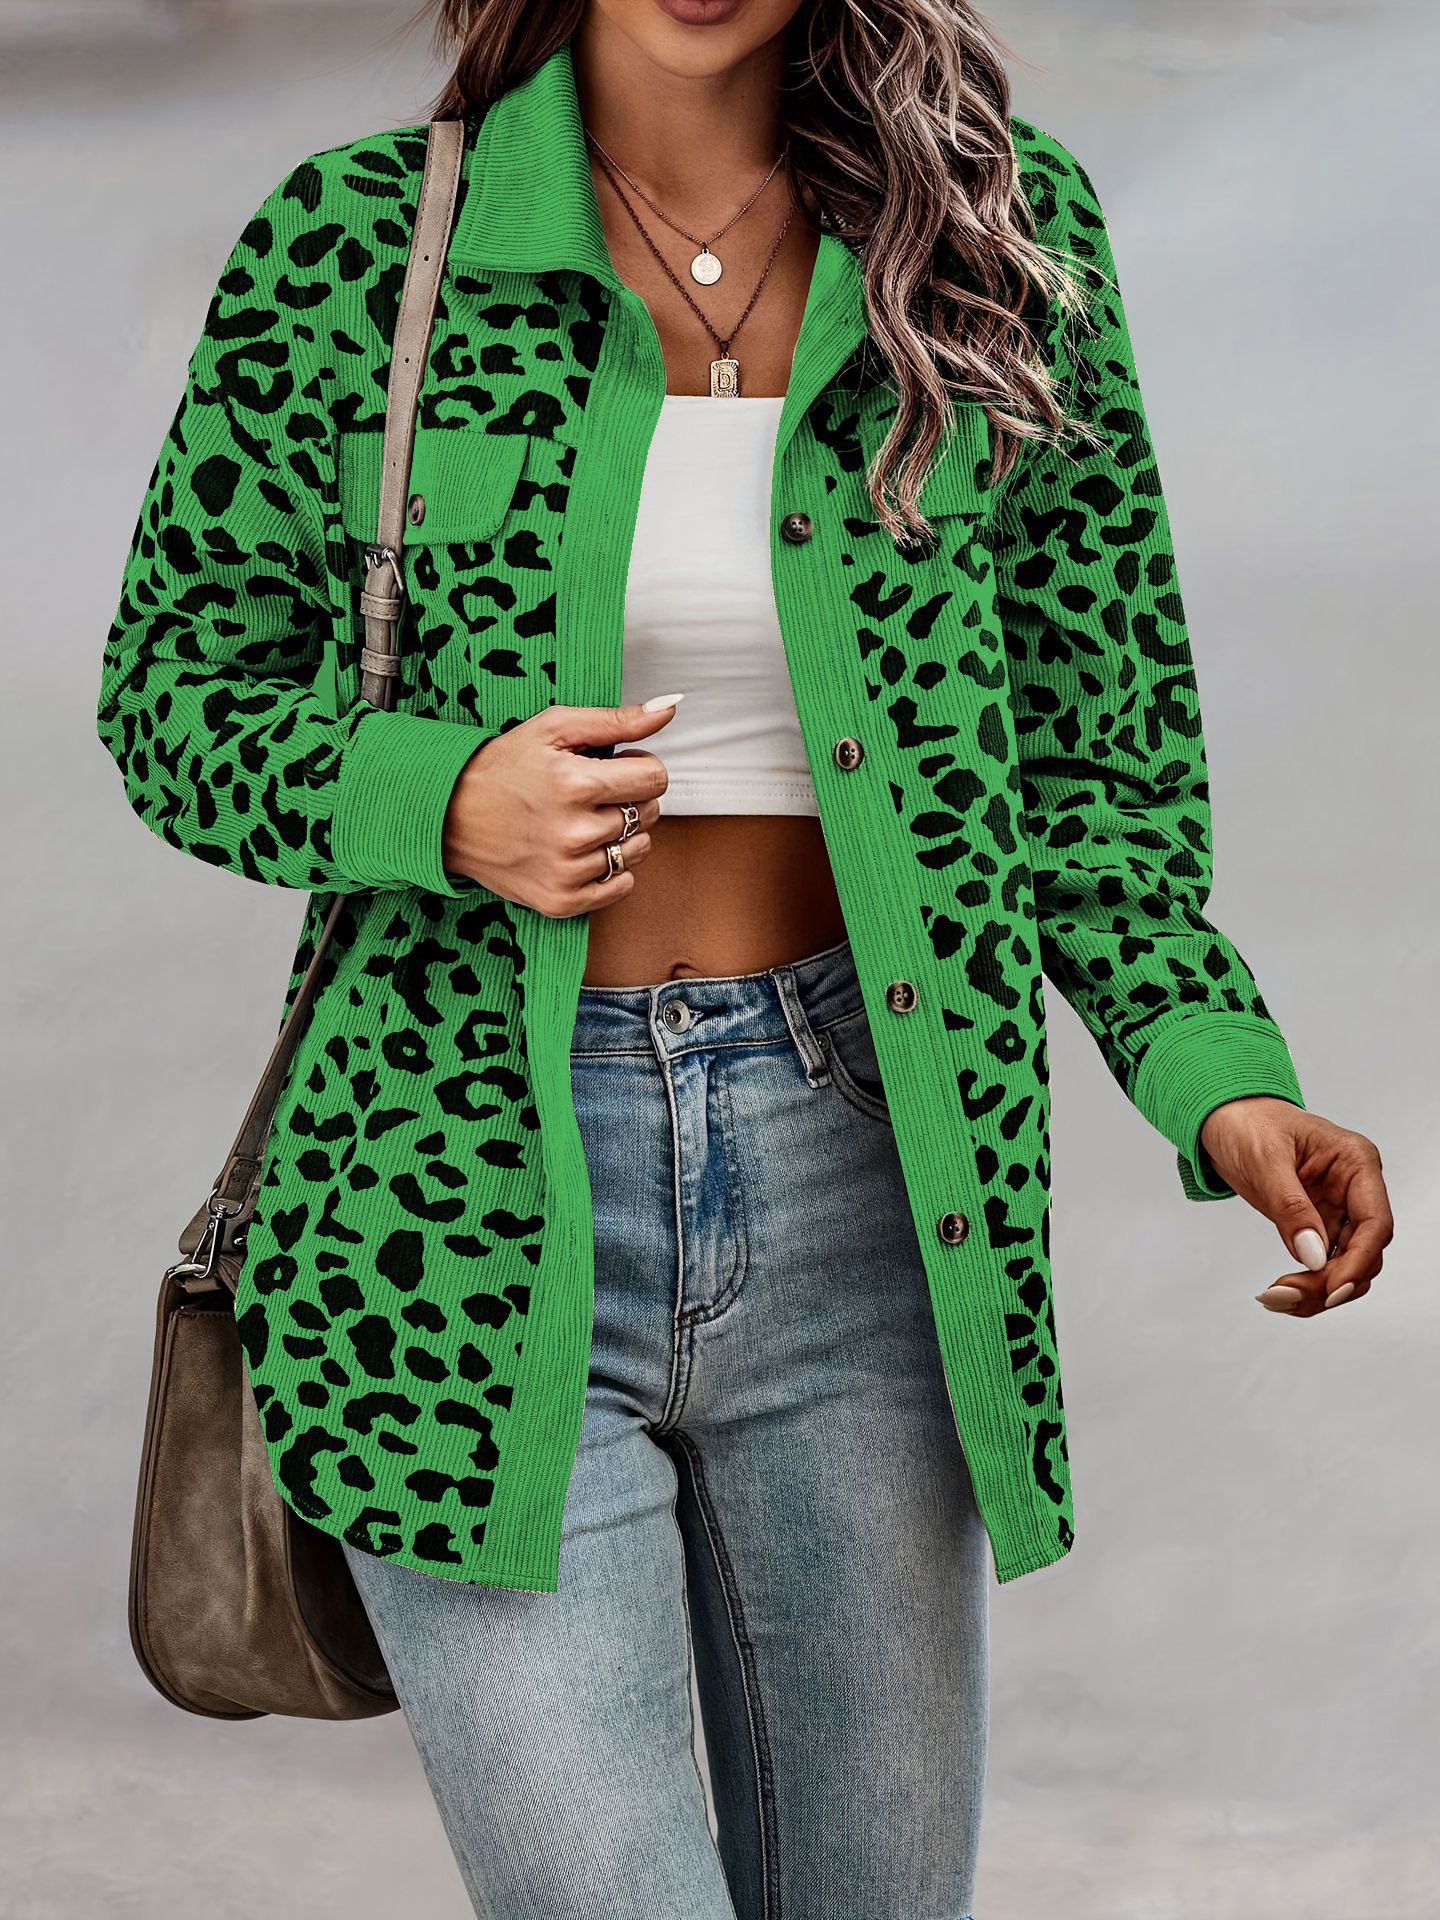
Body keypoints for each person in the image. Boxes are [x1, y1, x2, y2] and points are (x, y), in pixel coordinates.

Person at [96, 1, 1393, 1915]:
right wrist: (440, 797)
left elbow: (1096, 764)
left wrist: (1223, 1081)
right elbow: (173, 691)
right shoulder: (361, 243)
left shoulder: (995, 236)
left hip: (868, 1196)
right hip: (455, 1207)